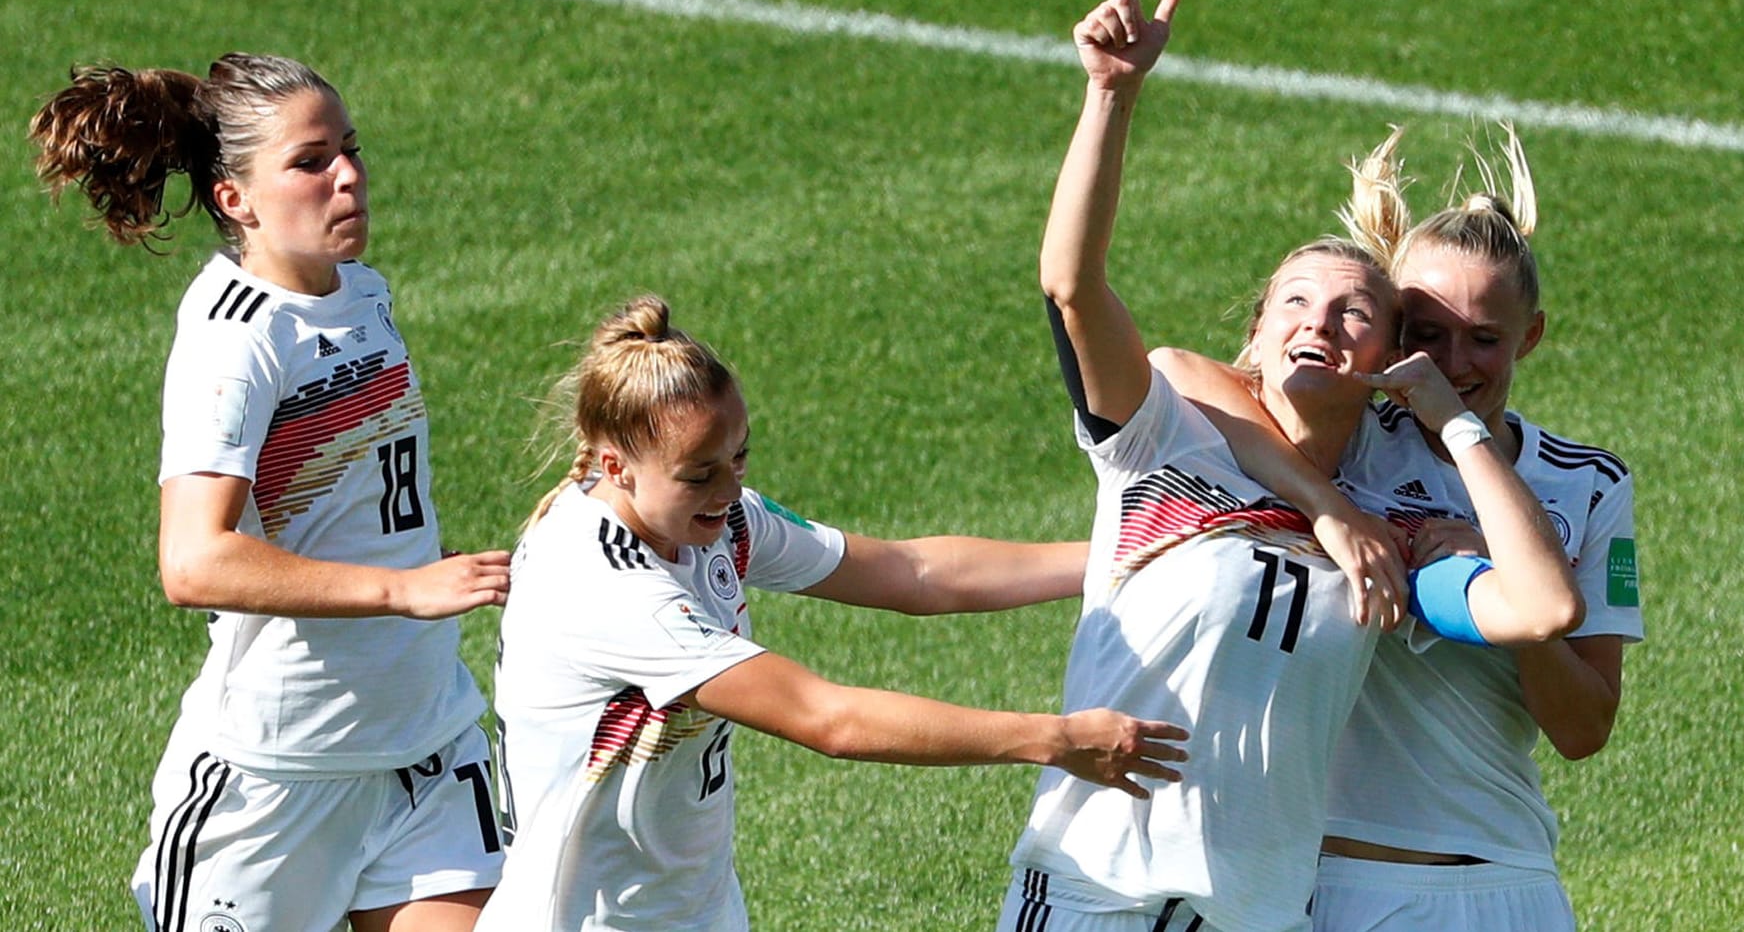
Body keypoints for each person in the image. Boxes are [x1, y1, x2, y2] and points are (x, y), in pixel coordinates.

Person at [995, 0, 1584, 932]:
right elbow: (1073, 287)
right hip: (1100, 902)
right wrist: (1109, 96)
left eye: (1354, 310)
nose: (1319, 321)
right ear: (1255, 339)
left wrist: (1444, 435)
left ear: (1392, 360)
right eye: (1294, 303)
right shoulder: (1163, 447)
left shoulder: (1388, 529)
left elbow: (1537, 606)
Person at [474, 294, 1190, 932]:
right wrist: (1053, 740)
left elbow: (916, 573)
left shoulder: (709, 523)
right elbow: (829, 719)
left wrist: (1133, 550)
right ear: (614, 467)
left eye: (739, 459)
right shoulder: (605, 586)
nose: (728, 490)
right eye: (700, 473)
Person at [30, 55, 512, 932]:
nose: (350, 175)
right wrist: (401, 590)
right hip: (278, 779)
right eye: (311, 160)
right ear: (234, 200)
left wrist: (426, 561)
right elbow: (194, 560)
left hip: (424, 745)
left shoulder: (360, 294)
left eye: (351, 149)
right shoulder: (235, 342)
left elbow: (338, 498)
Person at [1156, 126, 1642, 930]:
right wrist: (1330, 506)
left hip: (1513, 877)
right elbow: (1180, 372)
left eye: (1485, 339)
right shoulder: (1342, 444)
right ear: (1387, 332)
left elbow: (1585, 728)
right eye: (1426, 334)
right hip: (1343, 879)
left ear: (1531, 336)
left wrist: (1505, 585)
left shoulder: (1589, 484)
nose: (1453, 364)